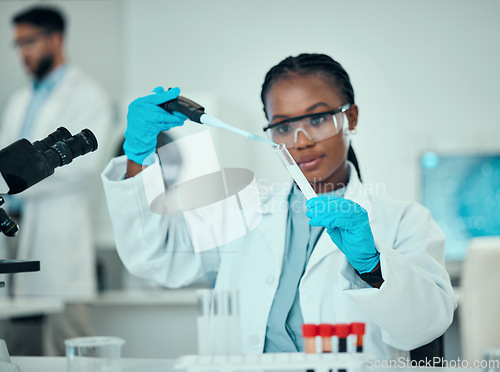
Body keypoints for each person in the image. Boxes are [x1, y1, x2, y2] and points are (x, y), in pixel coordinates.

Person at [102, 53, 456, 361]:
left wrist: (374, 267)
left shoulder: (404, 221)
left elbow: (424, 328)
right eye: (284, 126)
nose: (300, 141)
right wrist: (137, 158)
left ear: (351, 118)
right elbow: (156, 259)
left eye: (317, 119)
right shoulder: (241, 211)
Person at [0, 5, 113, 356]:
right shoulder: (20, 100)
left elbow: (83, 167)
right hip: (14, 232)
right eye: (17, 44)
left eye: (29, 41)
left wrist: (18, 178)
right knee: (19, 348)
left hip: (56, 236)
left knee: (68, 346)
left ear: (56, 38)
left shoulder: (89, 96)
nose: (23, 52)